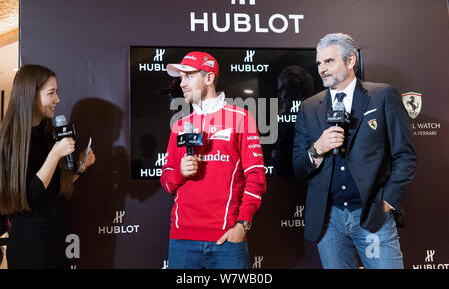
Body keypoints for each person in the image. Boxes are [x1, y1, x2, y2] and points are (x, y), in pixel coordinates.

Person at [292, 33, 416, 269]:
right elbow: (298, 166)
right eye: (319, 63)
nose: (322, 69)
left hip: (372, 213)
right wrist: (318, 148)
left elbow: (405, 155)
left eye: (329, 61)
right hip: (329, 220)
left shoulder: (383, 96)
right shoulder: (309, 107)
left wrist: (387, 202)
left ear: (350, 61)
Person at [160, 51, 267, 269]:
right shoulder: (179, 125)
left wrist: (242, 224)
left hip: (227, 239)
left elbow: (256, 177)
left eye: (188, 76)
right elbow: (167, 183)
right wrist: (180, 171)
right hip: (182, 240)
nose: (182, 84)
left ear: (209, 78)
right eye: (181, 78)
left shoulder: (240, 118)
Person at [0, 64, 96, 269]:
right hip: (31, 245)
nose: (57, 100)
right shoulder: (10, 140)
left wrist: (79, 168)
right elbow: (29, 195)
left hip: (57, 238)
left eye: (57, 92)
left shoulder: (48, 133)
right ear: (31, 95)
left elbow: (54, 188)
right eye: (51, 93)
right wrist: (55, 155)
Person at [271, 66, 314, 176]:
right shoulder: (318, 113)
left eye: (282, 89)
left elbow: (281, 161)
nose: (280, 96)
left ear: (294, 89)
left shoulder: (284, 122)